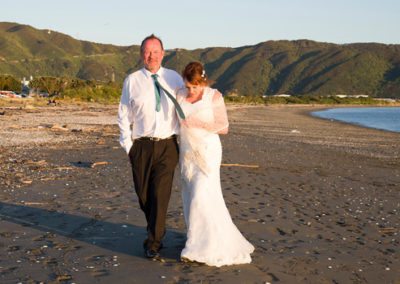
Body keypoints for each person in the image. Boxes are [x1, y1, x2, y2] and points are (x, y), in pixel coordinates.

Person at [176, 62, 254, 267]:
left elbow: (224, 127)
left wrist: (199, 123)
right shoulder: (179, 95)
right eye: (188, 86)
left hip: (208, 151)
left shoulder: (214, 96)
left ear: (203, 82)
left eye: (195, 86)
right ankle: (197, 239)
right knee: (191, 194)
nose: (191, 90)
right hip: (187, 152)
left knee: (202, 193)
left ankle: (201, 247)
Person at [117, 34, 184, 259]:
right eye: (147, 52)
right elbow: (123, 115)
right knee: (144, 195)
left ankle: (154, 242)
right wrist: (128, 146)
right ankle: (153, 228)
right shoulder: (132, 80)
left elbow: (188, 106)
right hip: (141, 146)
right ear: (141, 55)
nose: (151, 56)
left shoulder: (174, 78)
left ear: (163, 53)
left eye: (155, 52)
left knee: (160, 194)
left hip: (167, 146)